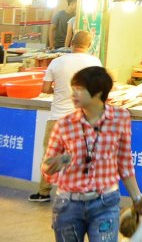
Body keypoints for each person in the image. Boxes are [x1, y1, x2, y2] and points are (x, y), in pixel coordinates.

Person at [42, 65, 142, 241]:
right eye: (73, 89)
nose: (73, 94)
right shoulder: (64, 124)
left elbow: (124, 163)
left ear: (98, 92)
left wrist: (137, 198)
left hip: (105, 202)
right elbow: (46, 167)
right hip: (68, 204)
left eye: (79, 89)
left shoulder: (120, 118)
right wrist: (54, 164)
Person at [31, 30, 103, 202]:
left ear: (71, 43)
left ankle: (43, 192)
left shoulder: (57, 62)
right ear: (89, 45)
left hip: (58, 118)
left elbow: (45, 89)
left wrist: (59, 90)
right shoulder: (95, 62)